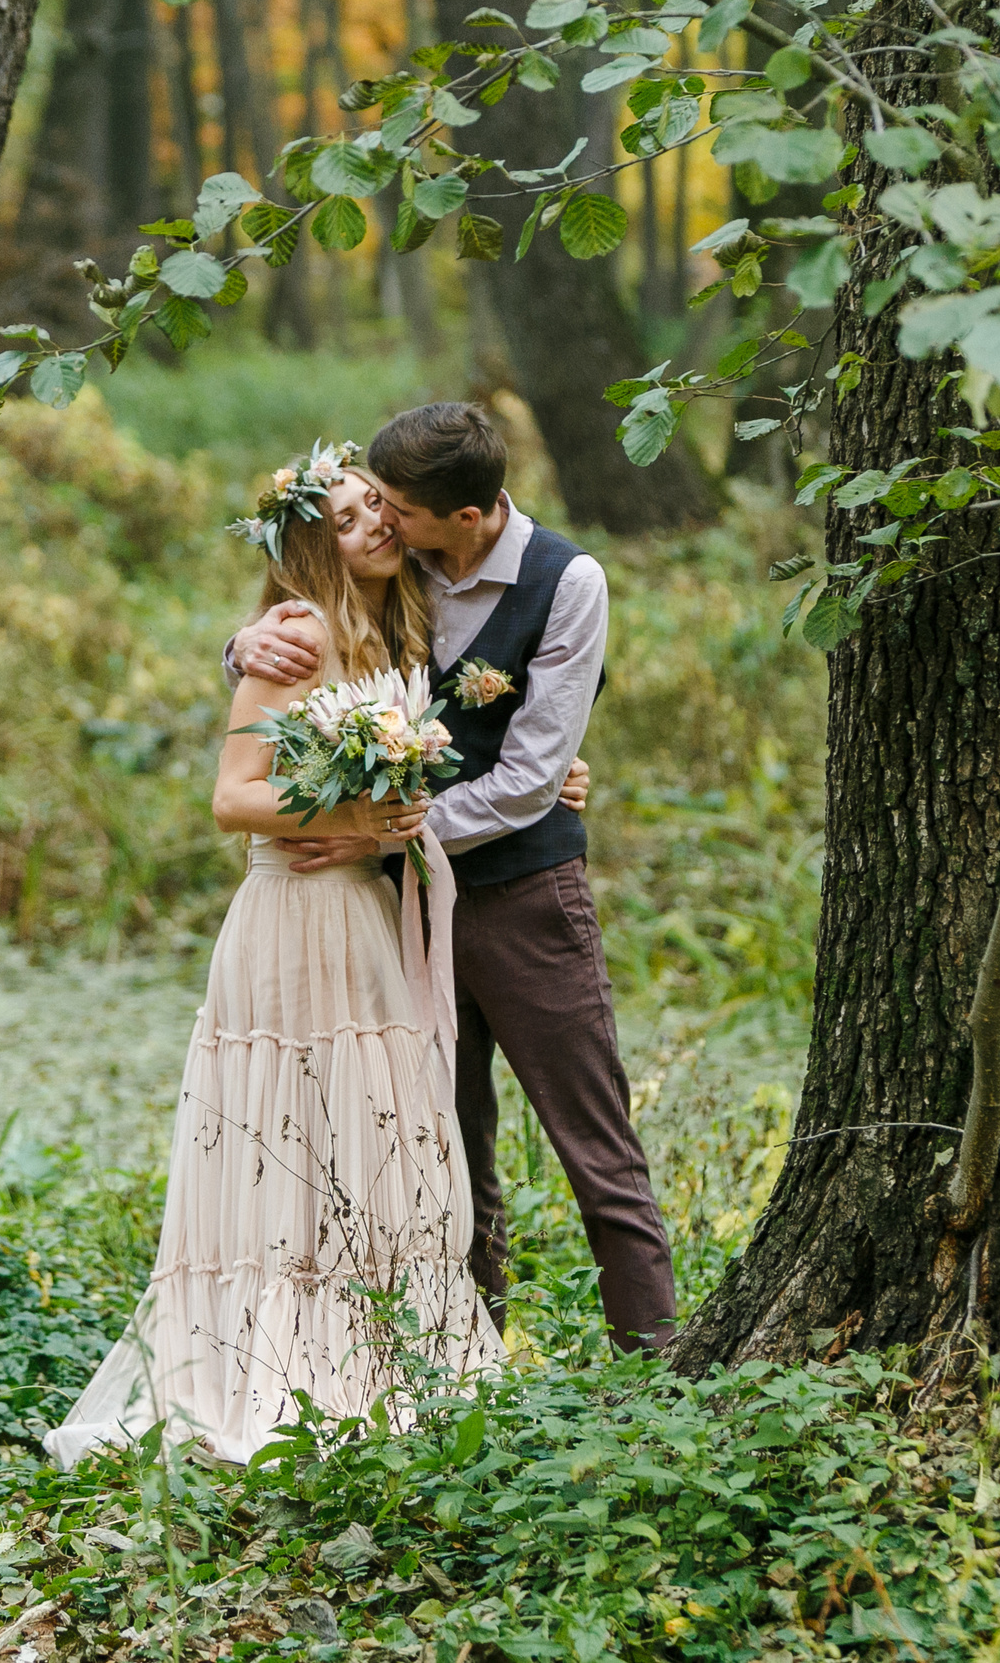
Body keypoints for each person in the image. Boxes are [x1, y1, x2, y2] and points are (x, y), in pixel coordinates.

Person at [44, 443, 499, 1469]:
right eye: (346, 518)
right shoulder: (295, 634)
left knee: (373, 1128)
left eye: (377, 507)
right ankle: (272, 1366)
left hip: (365, 927)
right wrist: (349, 809)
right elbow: (231, 799)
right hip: (292, 920)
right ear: (308, 545)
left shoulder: (397, 625)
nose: (376, 526)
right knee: (287, 1133)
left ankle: (394, 1356)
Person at [228, 402, 678, 1350]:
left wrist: (380, 837)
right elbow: (318, 631)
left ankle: (661, 1364)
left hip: (523, 898)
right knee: (440, 1142)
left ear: (463, 516)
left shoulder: (567, 581)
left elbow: (526, 779)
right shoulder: (406, 565)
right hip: (402, 912)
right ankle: (462, 1361)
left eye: (397, 508)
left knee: (593, 1137)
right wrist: (241, 645)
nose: (384, 521)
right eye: (375, 509)